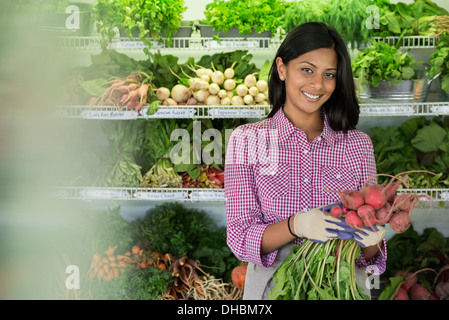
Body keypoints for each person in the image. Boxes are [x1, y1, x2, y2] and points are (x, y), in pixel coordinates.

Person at [224, 22, 387, 300]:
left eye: (329, 74)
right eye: (307, 70)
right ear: (282, 68)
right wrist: (295, 226)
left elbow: (368, 257)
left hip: (342, 287)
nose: (317, 84)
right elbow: (240, 238)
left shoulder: (358, 145)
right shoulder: (247, 140)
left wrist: (373, 241)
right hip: (273, 289)